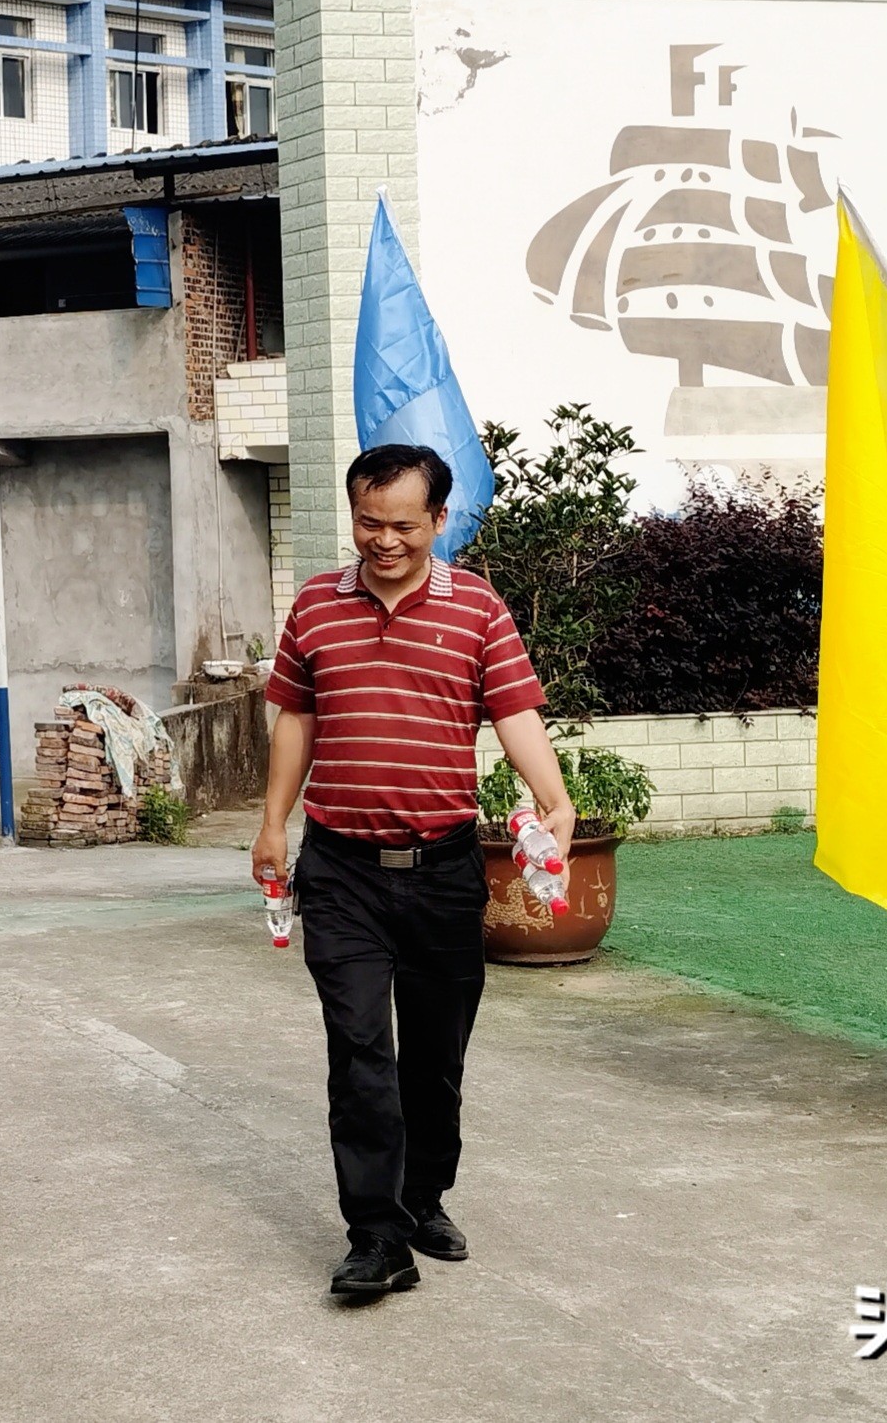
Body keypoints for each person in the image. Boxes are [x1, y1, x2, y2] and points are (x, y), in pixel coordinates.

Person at [252, 443, 576, 1305]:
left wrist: (555, 800)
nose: (383, 540)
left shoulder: (476, 607)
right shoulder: (316, 605)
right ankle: (376, 1235)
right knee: (359, 1049)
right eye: (368, 521)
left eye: (401, 523)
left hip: (441, 870)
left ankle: (423, 1196)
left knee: (434, 1057)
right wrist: (272, 823)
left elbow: (516, 714)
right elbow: (295, 720)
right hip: (342, 869)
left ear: (438, 519)